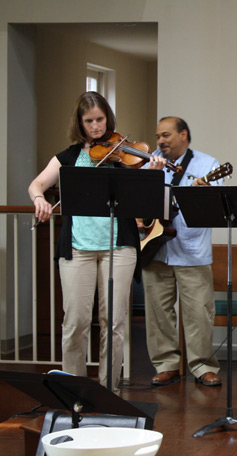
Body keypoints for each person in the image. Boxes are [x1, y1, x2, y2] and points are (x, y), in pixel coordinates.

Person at [28, 91, 159, 393]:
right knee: (75, 323)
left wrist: (152, 172)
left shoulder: (124, 156)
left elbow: (143, 204)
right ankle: (75, 393)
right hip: (77, 248)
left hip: (120, 247)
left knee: (113, 324)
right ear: (80, 123)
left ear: (107, 119)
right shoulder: (69, 157)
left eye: (100, 119)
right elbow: (37, 184)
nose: (97, 127)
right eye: (90, 121)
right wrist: (40, 199)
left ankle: (109, 392)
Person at [142, 116, 223, 387]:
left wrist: (202, 193)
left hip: (191, 250)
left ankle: (202, 366)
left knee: (199, 313)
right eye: (158, 137)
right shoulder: (147, 162)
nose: (160, 141)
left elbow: (216, 210)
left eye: (166, 135)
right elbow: (135, 206)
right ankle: (166, 365)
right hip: (154, 250)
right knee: (158, 313)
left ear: (184, 135)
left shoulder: (208, 165)